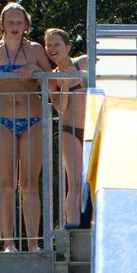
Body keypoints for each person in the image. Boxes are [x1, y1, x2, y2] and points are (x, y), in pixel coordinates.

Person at [0, 1, 53, 250]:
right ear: (1, 24)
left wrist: (36, 70)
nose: (15, 26)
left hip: (32, 120)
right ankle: (8, 243)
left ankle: (33, 243)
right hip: (2, 120)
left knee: (30, 184)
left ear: (26, 26)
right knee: (7, 184)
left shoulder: (35, 49)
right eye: (10, 22)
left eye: (20, 22)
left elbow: (52, 84)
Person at [45, 27, 89, 226]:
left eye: (56, 44)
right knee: (75, 184)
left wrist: (79, 77)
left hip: (93, 131)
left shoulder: (84, 62)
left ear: (68, 46)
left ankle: (96, 223)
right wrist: (65, 83)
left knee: (95, 182)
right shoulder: (51, 77)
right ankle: (73, 227)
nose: (52, 48)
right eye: (48, 44)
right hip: (70, 131)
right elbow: (60, 108)